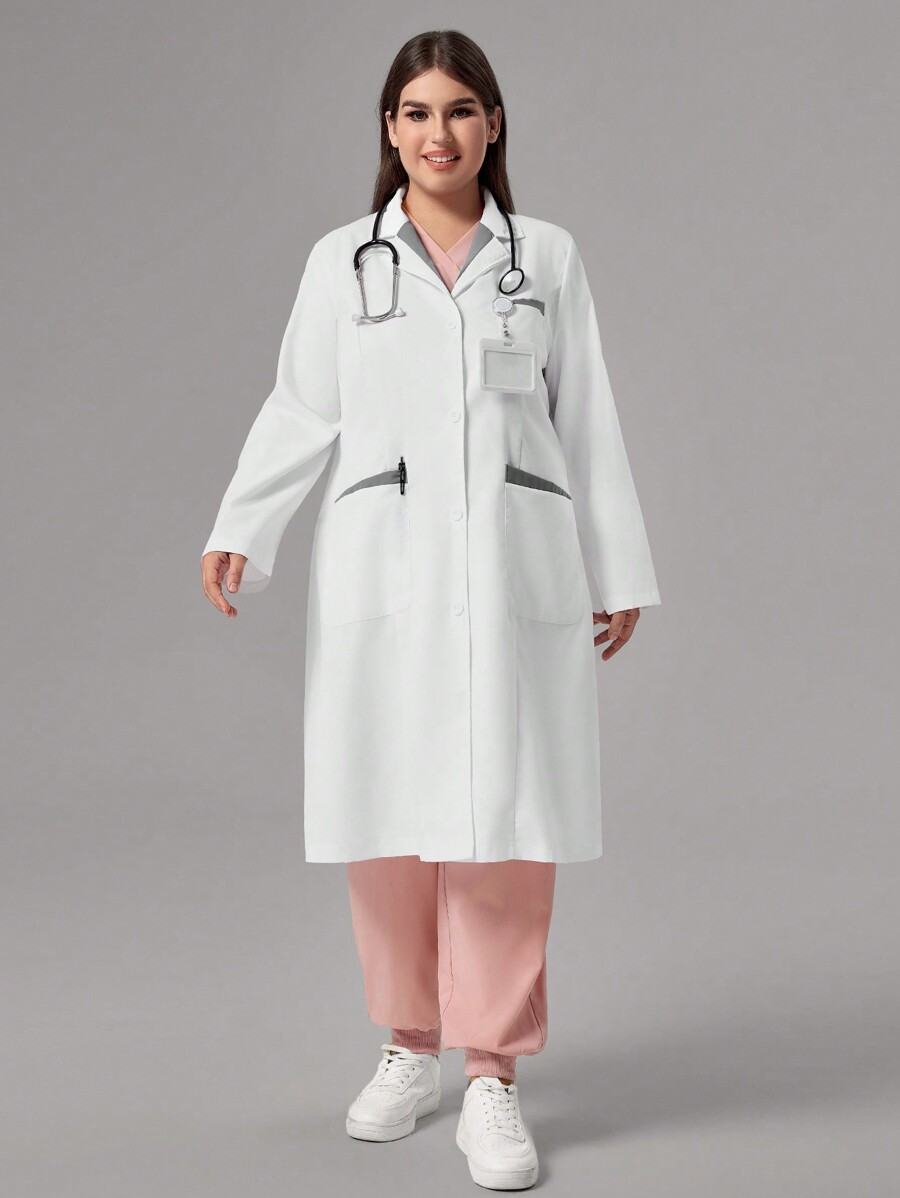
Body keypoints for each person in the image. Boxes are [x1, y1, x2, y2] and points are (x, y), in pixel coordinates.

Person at [200, 29, 661, 1191]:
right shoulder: (344, 262)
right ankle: (410, 1046)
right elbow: (300, 407)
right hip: (387, 572)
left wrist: (618, 570)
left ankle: (492, 1073)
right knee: (387, 814)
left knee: (506, 821)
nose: (437, 132)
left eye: (460, 110)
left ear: (493, 125)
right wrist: (243, 525)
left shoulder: (543, 257)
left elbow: (585, 415)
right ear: (389, 129)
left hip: (513, 568)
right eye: (415, 112)